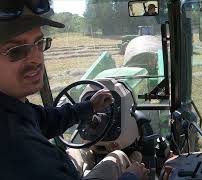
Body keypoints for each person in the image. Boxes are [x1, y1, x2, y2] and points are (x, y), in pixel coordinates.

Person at [0, 1, 148, 180]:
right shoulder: (23, 152)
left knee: (78, 151)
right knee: (119, 157)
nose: (37, 59)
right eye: (17, 50)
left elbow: (45, 120)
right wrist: (131, 176)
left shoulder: (14, 110)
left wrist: (90, 107)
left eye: (39, 43)